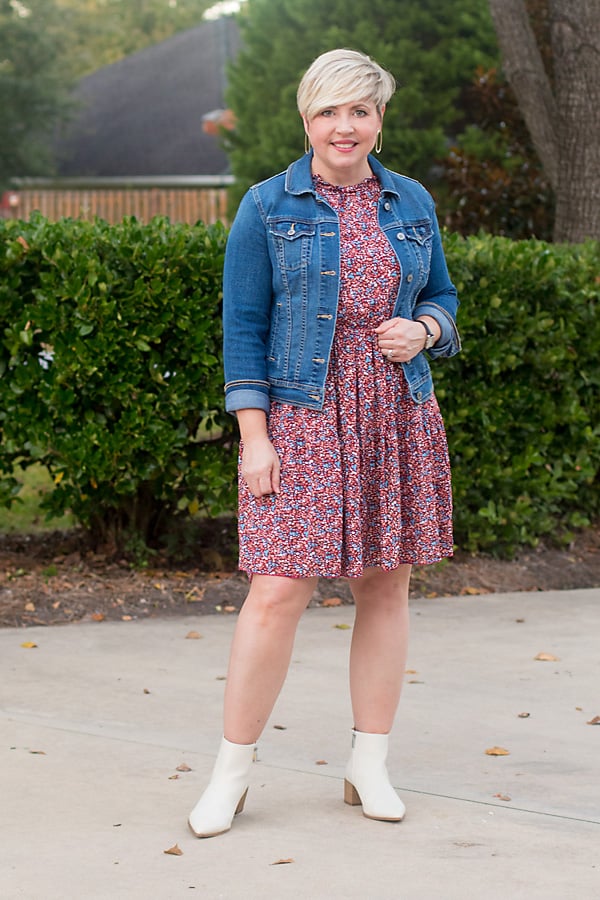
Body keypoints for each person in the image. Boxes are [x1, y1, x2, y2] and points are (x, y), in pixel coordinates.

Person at [188, 48, 460, 838]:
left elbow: (440, 293)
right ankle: (231, 774)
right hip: (301, 416)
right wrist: (253, 438)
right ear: (307, 119)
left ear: (379, 120)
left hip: (395, 410)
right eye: (329, 112)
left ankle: (367, 762)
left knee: (385, 584)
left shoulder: (410, 200)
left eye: (360, 111)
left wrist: (427, 328)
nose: (345, 127)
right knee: (276, 592)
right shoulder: (267, 206)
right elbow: (242, 329)